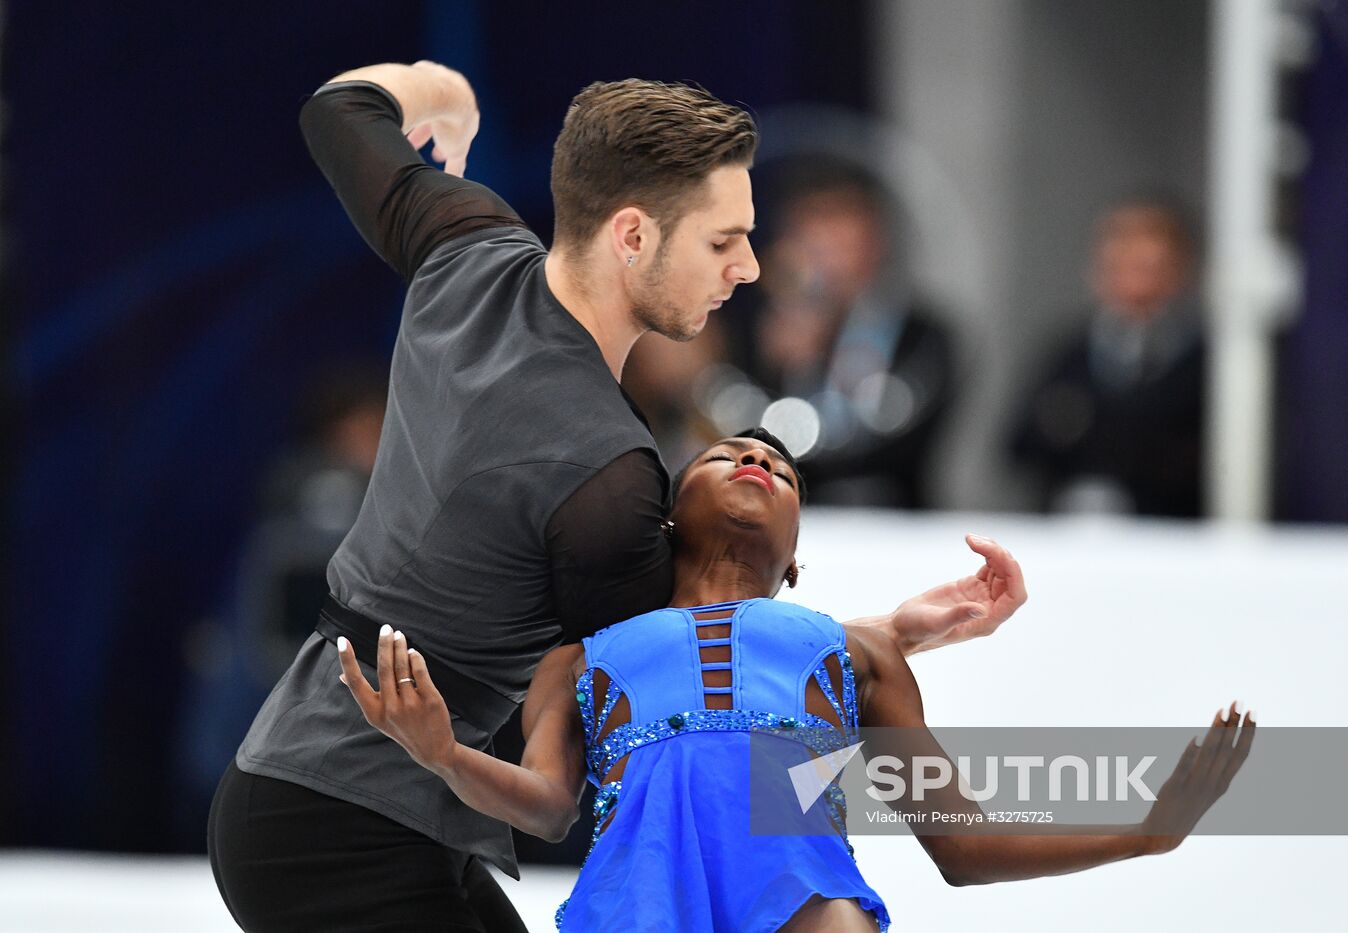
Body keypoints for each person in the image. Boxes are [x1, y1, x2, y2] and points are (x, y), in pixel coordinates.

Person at [208, 61, 1028, 931]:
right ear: (632, 235)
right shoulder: (606, 473)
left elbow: (341, 108)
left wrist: (443, 95)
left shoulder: (469, 243)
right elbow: (701, 675)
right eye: (723, 241)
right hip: (346, 831)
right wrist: (893, 635)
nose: (750, 267)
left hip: (315, 795)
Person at [339, 431, 1254, 932]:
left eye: (781, 469)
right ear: (666, 520)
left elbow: (962, 846)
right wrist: (444, 753)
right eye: (725, 454)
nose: (759, 461)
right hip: (640, 903)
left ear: (797, 564)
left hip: (811, 906)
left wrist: (1147, 834)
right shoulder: (584, 657)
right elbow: (543, 805)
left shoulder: (858, 653)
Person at [727, 157, 958, 508]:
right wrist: (779, 368)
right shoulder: (760, 327)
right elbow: (738, 434)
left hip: (894, 523)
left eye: (837, 218)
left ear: (876, 236)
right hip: (786, 514)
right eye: (808, 220)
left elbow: (896, 444)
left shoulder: (923, 335)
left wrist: (828, 353)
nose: (822, 240)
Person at [1010, 195, 1206, 517]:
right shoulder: (1070, 352)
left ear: (1179, 265)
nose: (1128, 260)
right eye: (1117, 252)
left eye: (1144, 261)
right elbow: (1023, 443)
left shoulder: (1208, 364)